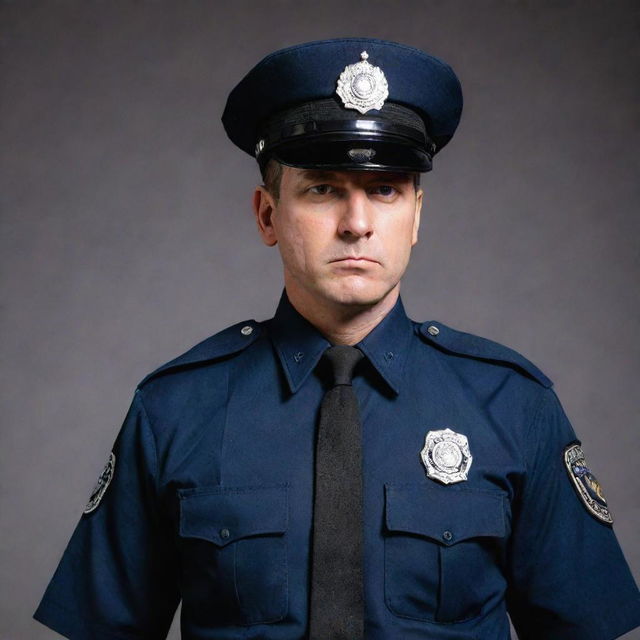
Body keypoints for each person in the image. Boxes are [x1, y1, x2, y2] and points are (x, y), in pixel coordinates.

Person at [34, 37, 640, 640]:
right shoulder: (174, 409)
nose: (357, 223)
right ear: (268, 215)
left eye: (385, 189)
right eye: (323, 188)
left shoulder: (513, 405)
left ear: (417, 216)